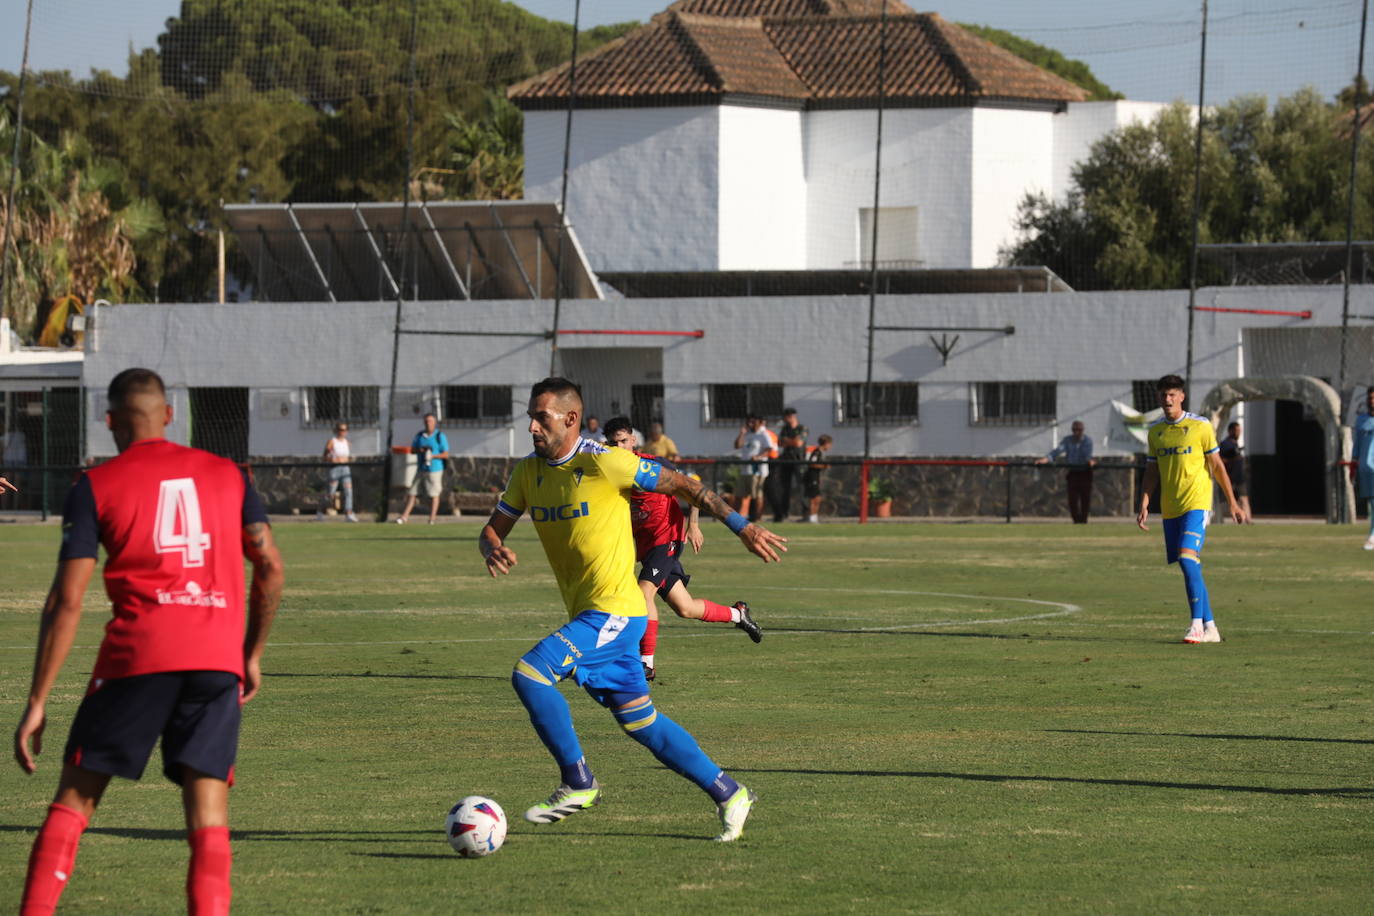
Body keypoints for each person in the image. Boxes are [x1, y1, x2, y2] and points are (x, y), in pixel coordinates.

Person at [13, 367, 284, 914]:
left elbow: (66, 600)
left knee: (74, 803)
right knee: (208, 820)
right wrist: (250, 653)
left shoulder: (94, 484)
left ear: (110, 421)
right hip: (215, 664)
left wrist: (38, 700)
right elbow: (271, 568)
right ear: (169, 414)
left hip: (138, 659)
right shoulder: (231, 474)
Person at [479, 378, 786, 842]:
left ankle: (579, 783)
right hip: (596, 614)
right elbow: (491, 528)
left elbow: (687, 486)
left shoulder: (608, 462)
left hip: (614, 612)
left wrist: (741, 526)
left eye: (541, 417)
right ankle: (729, 792)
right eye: (531, 416)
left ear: (570, 419)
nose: (532, 427)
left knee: (530, 674)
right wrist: (492, 546)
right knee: (642, 724)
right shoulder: (527, 473)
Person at [603, 417, 762, 682]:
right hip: (646, 545)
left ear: (633, 440)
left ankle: (646, 664)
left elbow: (691, 487)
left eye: (623, 441)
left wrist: (694, 525)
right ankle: (738, 614)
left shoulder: (654, 465)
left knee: (644, 593)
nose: (619, 447)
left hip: (667, 537)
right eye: (613, 443)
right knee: (685, 607)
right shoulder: (609, 469)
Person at [1136, 374, 1242, 644]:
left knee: (1186, 558)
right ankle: (1211, 628)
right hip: (1170, 508)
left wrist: (1232, 502)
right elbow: (1151, 470)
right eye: (1163, 395)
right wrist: (1145, 501)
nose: (1167, 399)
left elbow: (1217, 466)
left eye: (1173, 394)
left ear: (1182, 396)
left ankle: (1195, 625)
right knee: (1190, 564)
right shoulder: (1155, 432)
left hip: (1197, 503)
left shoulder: (1200, 426)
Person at [1036, 420, 1096, 523]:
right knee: (1072, 498)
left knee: (1085, 498)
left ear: (1082, 431)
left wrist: (1090, 461)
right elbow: (1057, 451)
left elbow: (1087, 456)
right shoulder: (1068, 440)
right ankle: (1076, 520)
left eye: (1079, 430)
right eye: (1075, 430)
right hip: (1073, 473)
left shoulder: (1087, 441)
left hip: (1085, 473)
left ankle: (1084, 520)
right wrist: (1045, 459)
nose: (1077, 432)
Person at [396, 413, 450, 525]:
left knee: (434, 494)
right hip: (421, 468)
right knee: (412, 492)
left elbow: (445, 454)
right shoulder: (420, 436)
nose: (428, 423)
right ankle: (404, 517)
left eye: (430, 421)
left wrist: (433, 456)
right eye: (426, 421)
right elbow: (412, 450)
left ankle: (432, 519)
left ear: (434, 423)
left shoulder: (439, 436)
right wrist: (420, 450)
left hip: (434, 469)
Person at [316, 422, 359, 522]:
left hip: (345, 468)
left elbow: (347, 456)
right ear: (336, 430)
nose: (342, 432)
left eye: (344, 430)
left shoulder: (346, 442)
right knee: (331, 493)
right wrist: (332, 459)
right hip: (335, 468)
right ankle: (320, 511)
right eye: (340, 430)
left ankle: (349, 513)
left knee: (348, 491)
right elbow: (325, 456)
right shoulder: (332, 441)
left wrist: (348, 460)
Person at [772, 408, 808, 522]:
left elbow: (798, 443)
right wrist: (791, 440)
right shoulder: (785, 429)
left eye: (788, 416)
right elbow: (779, 443)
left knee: (802, 487)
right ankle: (783, 514)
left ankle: (806, 514)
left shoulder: (802, 428)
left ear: (793, 416)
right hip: (786, 461)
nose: (785, 419)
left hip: (799, 461)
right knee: (784, 488)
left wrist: (787, 440)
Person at [733, 415, 771, 522]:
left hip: (757, 470)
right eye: (749, 422)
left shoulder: (763, 434)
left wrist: (758, 457)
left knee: (756, 495)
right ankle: (735, 518)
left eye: (753, 422)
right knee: (739, 495)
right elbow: (737, 445)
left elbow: (769, 449)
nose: (750, 424)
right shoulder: (747, 434)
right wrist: (742, 433)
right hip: (745, 470)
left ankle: (757, 517)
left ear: (759, 422)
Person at [1217, 420, 1252, 524]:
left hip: (1239, 477)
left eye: (1239, 431)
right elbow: (1220, 460)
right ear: (1230, 431)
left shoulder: (1236, 444)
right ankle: (1220, 519)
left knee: (1244, 498)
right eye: (1236, 431)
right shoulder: (1225, 444)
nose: (1238, 433)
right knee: (1224, 499)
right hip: (1229, 476)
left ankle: (1248, 520)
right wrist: (1233, 459)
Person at [1354, 387, 1374, 550]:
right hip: (1366, 469)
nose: (1372, 401)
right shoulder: (1361, 420)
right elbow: (1357, 444)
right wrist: (1354, 464)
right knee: (1372, 503)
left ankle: (1372, 536)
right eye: (1370, 398)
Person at [804, 434, 833, 523]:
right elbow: (812, 464)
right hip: (812, 477)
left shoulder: (820, 453)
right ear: (826, 443)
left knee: (818, 498)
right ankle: (811, 517)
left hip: (816, 478)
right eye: (830, 444)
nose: (830, 446)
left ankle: (814, 516)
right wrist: (824, 466)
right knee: (814, 498)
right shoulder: (816, 452)